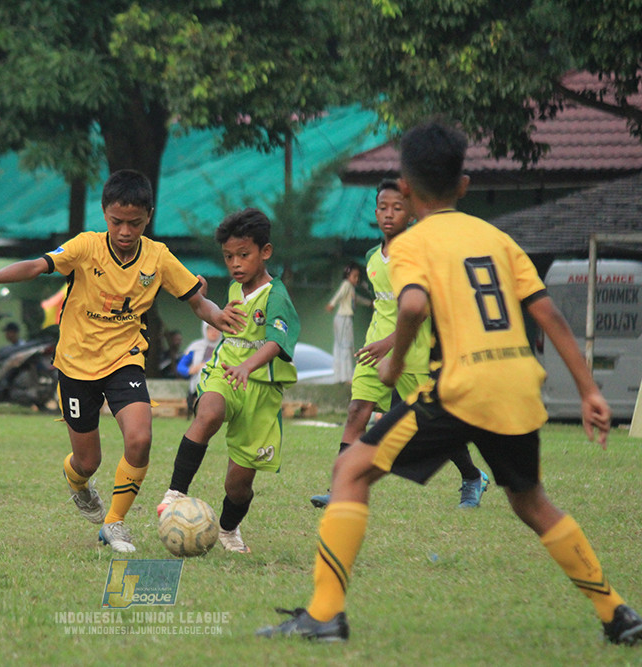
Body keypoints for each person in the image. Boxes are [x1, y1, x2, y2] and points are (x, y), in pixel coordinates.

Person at [257, 121, 642, 645]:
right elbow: (548, 314)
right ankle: (617, 613)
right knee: (531, 502)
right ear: (463, 185)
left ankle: (325, 613)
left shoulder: (414, 243)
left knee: (350, 470)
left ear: (407, 190)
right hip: (517, 384)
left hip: (462, 387)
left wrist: (393, 363)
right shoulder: (496, 237)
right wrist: (589, 390)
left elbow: (412, 303)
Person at [0, 169, 245, 553]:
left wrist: (219, 316)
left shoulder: (158, 257)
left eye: (135, 223)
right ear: (104, 214)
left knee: (140, 439)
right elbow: (36, 265)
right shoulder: (85, 247)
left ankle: (114, 523)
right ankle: (78, 483)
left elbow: (197, 299)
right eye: (117, 222)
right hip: (75, 365)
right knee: (87, 461)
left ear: (149, 217)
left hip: (125, 360)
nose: (126, 231)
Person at [310, 179, 489, 510]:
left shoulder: (420, 256)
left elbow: (422, 309)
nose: (389, 214)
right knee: (356, 411)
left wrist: (391, 344)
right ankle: (341, 489)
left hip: (413, 355)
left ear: (411, 214)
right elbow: (385, 307)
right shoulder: (371, 258)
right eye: (382, 207)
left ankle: (472, 477)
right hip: (373, 351)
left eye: (397, 208)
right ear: (375, 213)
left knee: (431, 424)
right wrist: (378, 344)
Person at [156, 208, 300, 553]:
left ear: (265, 252)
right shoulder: (235, 288)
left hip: (260, 391)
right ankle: (175, 492)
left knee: (239, 485)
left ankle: (228, 530)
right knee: (209, 413)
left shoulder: (276, 296)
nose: (235, 263)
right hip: (223, 375)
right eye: (228, 257)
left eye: (243, 255)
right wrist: (199, 299)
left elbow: (277, 342)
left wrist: (249, 366)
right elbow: (213, 317)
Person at [326, 263, 371, 383]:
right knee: (344, 345)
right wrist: (332, 303)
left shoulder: (351, 288)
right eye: (354, 276)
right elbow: (339, 294)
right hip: (343, 318)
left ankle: (342, 375)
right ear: (348, 276)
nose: (356, 279)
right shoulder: (346, 284)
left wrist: (370, 303)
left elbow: (357, 299)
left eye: (358, 277)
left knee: (345, 345)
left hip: (345, 318)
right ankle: (343, 376)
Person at [176, 322, 222, 416]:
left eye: (216, 328)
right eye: (210, 329)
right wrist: (190, 370)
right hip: (197, 382)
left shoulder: (224, 347)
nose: (214, 332)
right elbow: (181, 367)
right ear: (205, 330)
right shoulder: (196, 347)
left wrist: (205, 365)